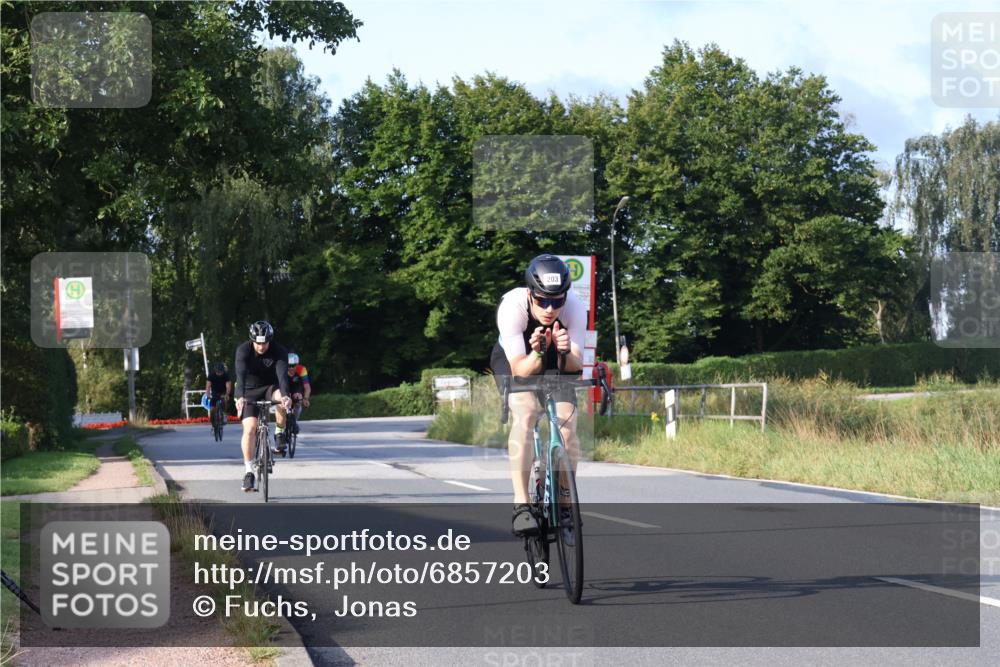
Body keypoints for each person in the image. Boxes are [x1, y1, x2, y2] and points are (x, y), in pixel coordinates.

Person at [490, 254, 586, 535]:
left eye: (557, 301)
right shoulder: (512, 308)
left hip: (556, 354)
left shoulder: (576, 309)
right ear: (530, 294)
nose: (549, 308)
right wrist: (538, 352)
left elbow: (576, 367)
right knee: (528, 412)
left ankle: (565, 503)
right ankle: (521, 504)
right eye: (543, 300)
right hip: (518, 358)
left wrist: (565, 351)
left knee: (567, 424)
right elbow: (520, 369)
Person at [234, 320, 293, 492]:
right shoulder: (243, 350)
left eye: (265, 343)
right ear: (252, 340)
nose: (261, 347)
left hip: (270, 387)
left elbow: (283, 376)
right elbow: (240, 374)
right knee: (250, 429)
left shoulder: (279, 350)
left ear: (270, 340)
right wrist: (239, 397)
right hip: (249, 389)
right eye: (258, 343)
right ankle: (248, 472)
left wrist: (287, 396)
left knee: (281, 398)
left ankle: (280, 432)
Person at [277, 352, 311, 445]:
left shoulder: (301, 369)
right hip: (286, 388)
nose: (291, 368)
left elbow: (307, 387)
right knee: (283, 402)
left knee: (298, 398)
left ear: (297, 364)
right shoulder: (282, 369)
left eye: (293, 366)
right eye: (289, 366)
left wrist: (306, 398)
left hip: (297, 387)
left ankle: (294, 421)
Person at [205, 361, 232, 428]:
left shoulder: (226, 375)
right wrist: (208, 395)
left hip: (223, 392)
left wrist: (226, 394)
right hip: (215, 392)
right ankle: (213, 424)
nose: (219, 373)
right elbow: (208, 386)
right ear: (215, 370)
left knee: (225, 401)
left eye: (221, 372)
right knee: (212, 410)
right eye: (218, 372)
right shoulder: (211, 375)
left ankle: (223, 414)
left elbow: (228, 387)